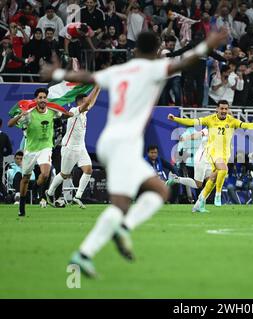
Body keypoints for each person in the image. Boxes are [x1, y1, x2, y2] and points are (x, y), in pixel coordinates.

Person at [40, 29, 228, 278]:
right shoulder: (152, 70)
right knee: (144, 197)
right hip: (125, 143)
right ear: (154, 52)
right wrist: (207, 45)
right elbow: (184, 61)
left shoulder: (119, 71)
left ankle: (88, 252)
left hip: (110, 141)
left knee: (142, 196)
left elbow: (87, 75)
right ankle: (114, 234)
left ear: (136, 50)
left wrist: (58, 73)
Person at [167, 100, 253, 212]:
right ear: (217, 109)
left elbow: (246, 125)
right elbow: (197, 131)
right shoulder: (210, 124)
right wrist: (184, 135)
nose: (225, 113)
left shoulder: (231, 125)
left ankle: (199, 203)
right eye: (222, 109)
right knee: (202, 182)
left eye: (227, 111)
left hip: (216, 157)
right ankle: (212, 196)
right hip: (204, 156)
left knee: (211, 180)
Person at [7, 88, 72, 216]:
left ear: (47, 99)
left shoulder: (52, 111)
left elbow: (62, 114)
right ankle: (22, 206)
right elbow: (10, 124)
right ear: (36, 100)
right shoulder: (28, 113)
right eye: (40, 98)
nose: (42, 100)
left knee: (46, 174)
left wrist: (68, 114)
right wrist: (20, 115)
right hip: (30, 149)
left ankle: (36, 188)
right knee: (25, 178)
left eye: (44, 97)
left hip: (46, 147)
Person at [46, 86, 101, 209]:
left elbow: (90, 103)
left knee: (88, 170)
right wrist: (96, 87)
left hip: (81, 147)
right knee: (64, 174)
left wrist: (98, 88)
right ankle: (49, 193)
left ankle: (77, 197)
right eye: (86, 100)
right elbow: (88, 103)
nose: (88, 103)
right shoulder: (75, 110)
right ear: (80, 102)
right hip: (70, 147)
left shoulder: (84, 111)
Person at [166, 127, 212, 193]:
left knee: (208, 183)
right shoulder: (206, 130)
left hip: (206, 161)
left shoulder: (221, 131)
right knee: (199, 185)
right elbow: (180, 150)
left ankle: (202, 200)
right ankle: (177, 180)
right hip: (198, 161)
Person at [0, 118, 13, 200]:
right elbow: (10, 150)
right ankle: (7, 196)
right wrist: (2, 154)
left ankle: (7, 196)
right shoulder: (4, 136)